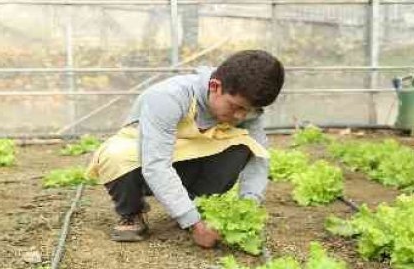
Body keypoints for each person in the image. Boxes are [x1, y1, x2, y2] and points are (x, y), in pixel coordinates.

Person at [87, 50, 284, 248]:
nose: (241, 116)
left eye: (249, 110)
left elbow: (259, 156)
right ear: (215, 87)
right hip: (146, 160)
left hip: (191, 160)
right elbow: (156, 164)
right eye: (236, 107)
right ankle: (131, 213)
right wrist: (193, 222)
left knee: (244, 144)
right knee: (115, 155)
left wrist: (249, 205)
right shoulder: (168, 97)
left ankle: (198, 204)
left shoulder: (248, 110)